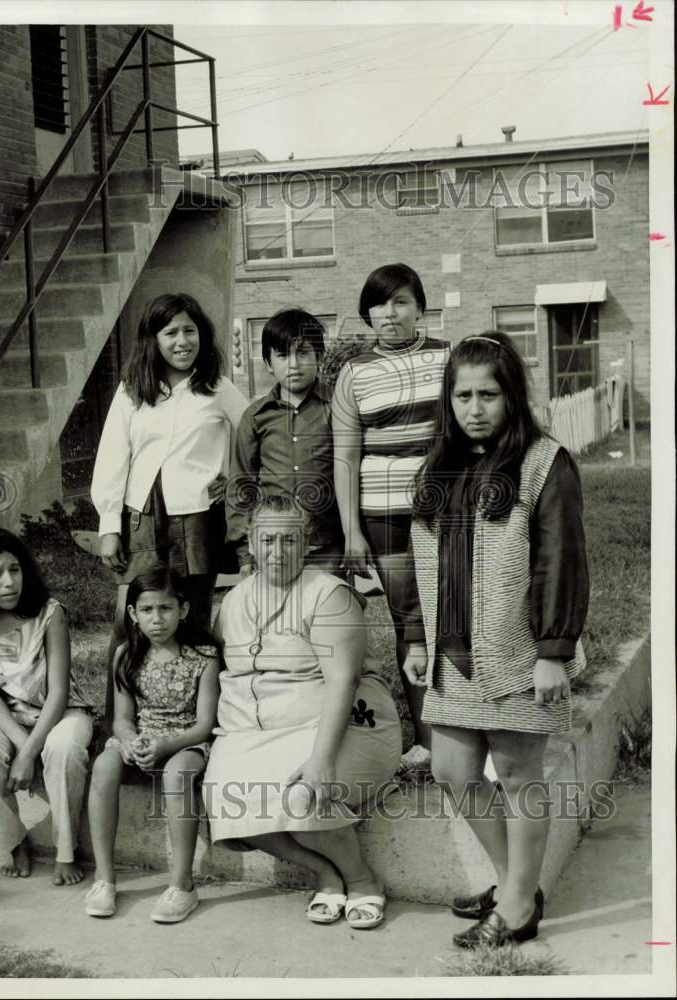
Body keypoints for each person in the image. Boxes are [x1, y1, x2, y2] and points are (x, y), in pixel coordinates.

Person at [406, 331, 590, 948]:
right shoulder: (439, 468)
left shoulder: (544, 463)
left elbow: (561, 561)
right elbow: (418, 563)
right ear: (447, 399)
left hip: (517, 652)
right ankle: (516, 880)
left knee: (516, 777)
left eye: (489, 393)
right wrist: (414, 638)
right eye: (463, 395)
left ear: (512, 396)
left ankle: (515, 908)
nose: (475, 407)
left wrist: (553, 652)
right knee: (453, 769)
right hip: (452, 657)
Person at [204, 496, 402, 930]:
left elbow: (342, 683)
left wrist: (321, 761)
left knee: (302, 792)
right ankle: (324, 873)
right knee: (221, 798)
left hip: (343, 725)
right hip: (252, 734)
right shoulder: (234, 602)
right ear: (251, 544)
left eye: (289, 540)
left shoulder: (328, 595)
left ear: (307, 541)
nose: (278, 551)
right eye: (268, 540)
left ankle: (362, 879)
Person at [91, 292, 247, 722]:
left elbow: (256, 429)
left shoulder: (217, 387)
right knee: (130, 621)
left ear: (202, 335)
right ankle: (118, 721)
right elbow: (112, 456)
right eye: (171, 332)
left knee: (191, 619)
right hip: (141, 517)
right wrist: (109, 524)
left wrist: (237, 481)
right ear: (153, 339)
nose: (182, 341)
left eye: (190, 331)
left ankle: (197, 723)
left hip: (197, 516)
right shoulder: (133, 390)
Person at [332, 263, 449, 763]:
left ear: (420, 307)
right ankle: (426, 738)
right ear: (367, 314)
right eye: (379, 304)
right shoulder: (353, 373)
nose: (390, 313)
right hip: (382, 515)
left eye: (401, 301)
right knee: (411, 621)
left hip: (447, 511)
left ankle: (470, 726)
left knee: (459, 610)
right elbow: (345, 456)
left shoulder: (450, 357)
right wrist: (351, 531)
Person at [0, 528, 93, 884]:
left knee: (65, 748)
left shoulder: (49, 613)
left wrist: (31, 751)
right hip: (5, 717)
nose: (9, 582)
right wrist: (21, 745)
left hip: (61, 712)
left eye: (15, 570)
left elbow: (59, 692)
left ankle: (66, 849)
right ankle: (11, 842)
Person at [85, 565, 219, 923]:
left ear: (184, 610)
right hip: (142, 738)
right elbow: (123, 719)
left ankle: (182, 885)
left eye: (165, 608)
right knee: (104, 765)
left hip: (186, 741)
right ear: (133, 614)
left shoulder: (203, 658)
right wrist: (128, 742)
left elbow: (205, 726)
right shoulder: (126, 654)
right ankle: (104, 879)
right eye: (147, 610)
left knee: (177, 775)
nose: (156, 619)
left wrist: (167, 745)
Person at [226, 308, 343, 576]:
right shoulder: (256, 417)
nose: (293, 364)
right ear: (268, 363)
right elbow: (241, 484)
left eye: (303, 353)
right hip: (271, 549)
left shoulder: (337, 409)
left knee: (324, 615)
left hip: (326, 546)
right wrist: (245, 553)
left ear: (319, 357)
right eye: (282, 355)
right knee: (275, 617)